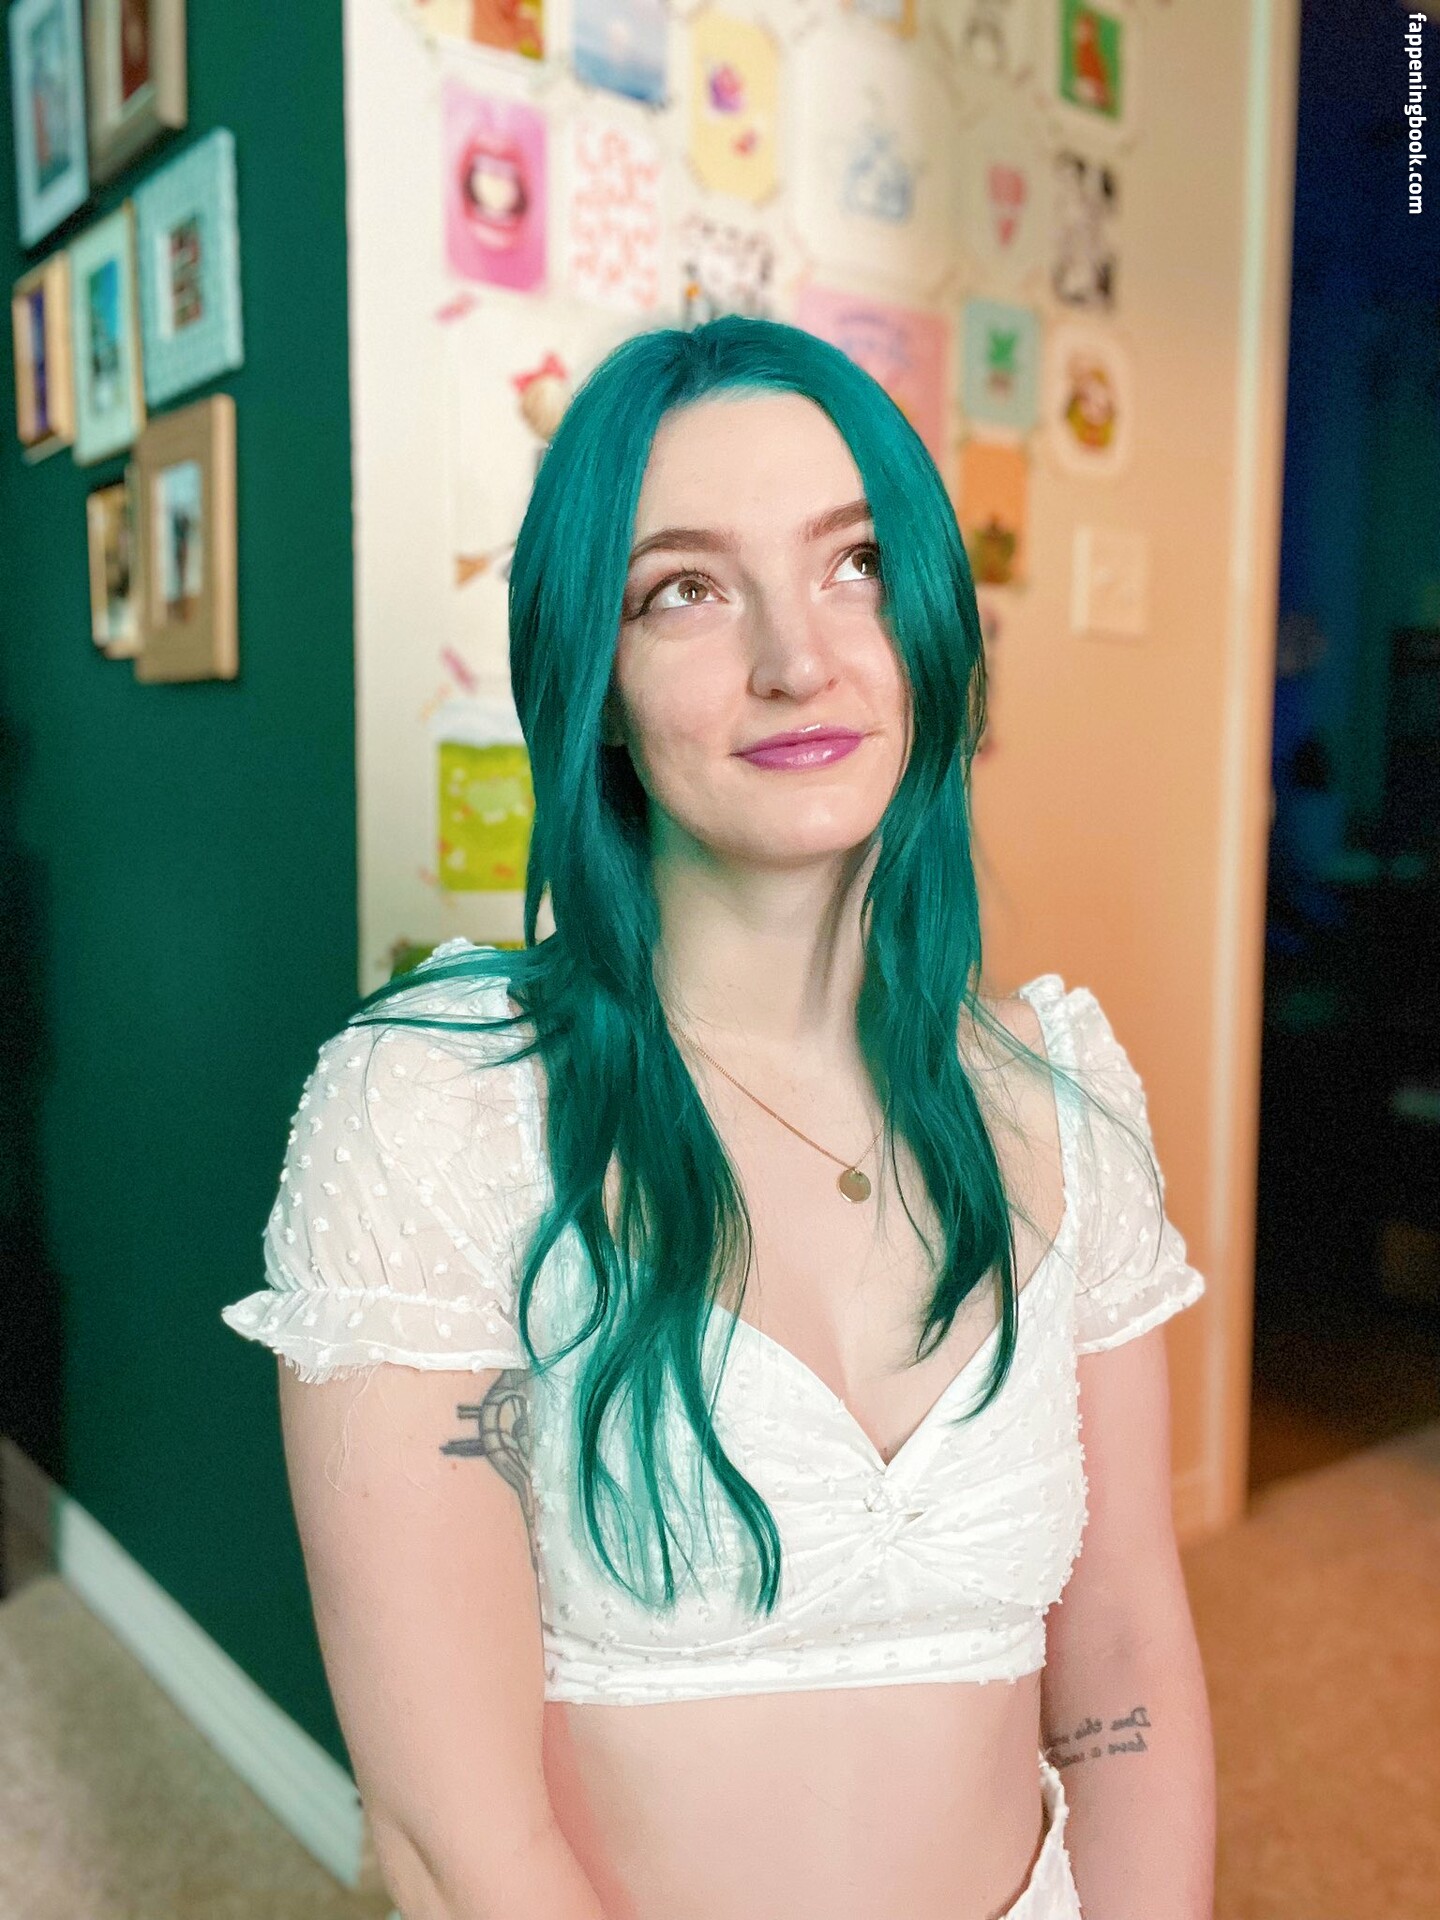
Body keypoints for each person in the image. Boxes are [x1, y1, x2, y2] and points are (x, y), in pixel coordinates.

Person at [222, 316, 1215, 1920]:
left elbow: (1124, 1651)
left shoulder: (1063, 1095)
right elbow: (451, 1838)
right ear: (595, 683)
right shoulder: (439, 1110)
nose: (796, 660)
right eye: (683, 588)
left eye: (857, 564)